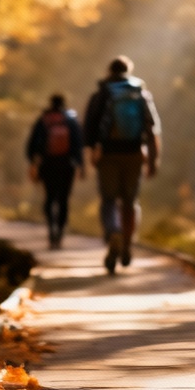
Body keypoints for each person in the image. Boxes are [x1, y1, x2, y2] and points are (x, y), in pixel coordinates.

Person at [83, 55, 160, 274]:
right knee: (130, 201)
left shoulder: (101, 94)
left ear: (109, 71)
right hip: (135, 154)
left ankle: (113, 232)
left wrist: (92, 151)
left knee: (108, 200)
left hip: (108, 154)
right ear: (129, 70)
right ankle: (127, 242)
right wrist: (153, 160)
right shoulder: (140, 93)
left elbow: (89, 127)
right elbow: (152, 129)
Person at [26, 93, 85, 249]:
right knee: (64, 199)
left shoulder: (44, 119)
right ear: (64, 103)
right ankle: (60, 231)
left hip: (47, 164)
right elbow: (79, 144)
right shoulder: (71, 120)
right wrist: (81, 166)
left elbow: (32, 144)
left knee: (50, 197)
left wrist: (33, 163)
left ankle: (51, 228)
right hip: (67, 165)